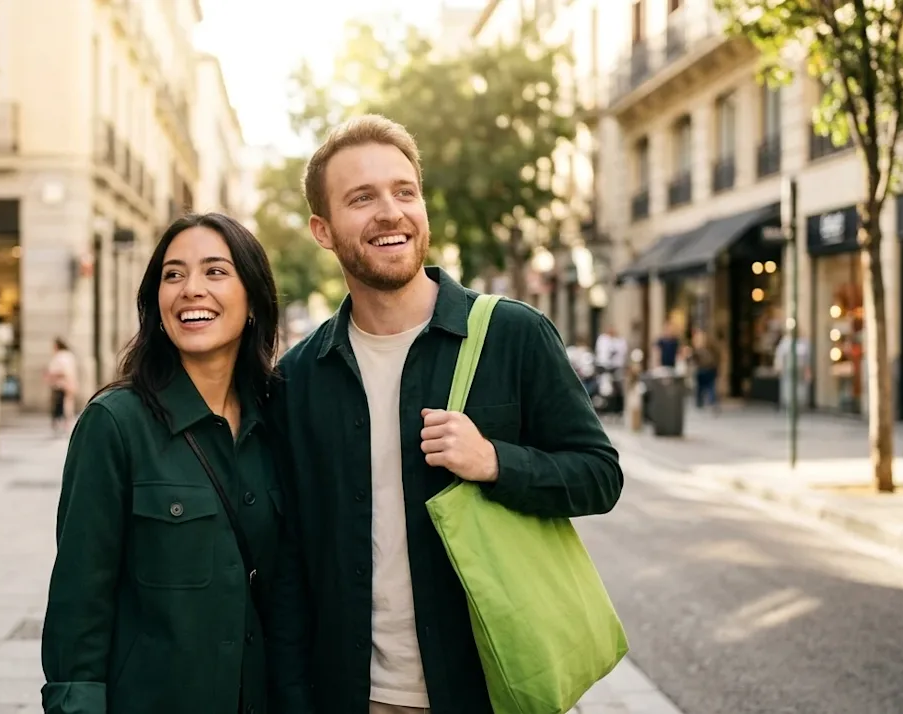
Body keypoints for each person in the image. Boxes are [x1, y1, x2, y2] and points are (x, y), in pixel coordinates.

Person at [266, 114, 624, 714]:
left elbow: (599, 475)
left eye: (405, 191)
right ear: (323, 231)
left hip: (491, 687)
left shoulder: (514, 334)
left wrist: (495, 462)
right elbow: (291, 560)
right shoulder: (299, 377)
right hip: (358, 694)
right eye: (362, 198)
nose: (391, 212)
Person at [40, 213, 282, 713]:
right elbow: (79, 604)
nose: (191, 289)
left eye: (215, 271)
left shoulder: (278, 422)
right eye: (173, 275)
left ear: (254, 299)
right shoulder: (114, 424)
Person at [45, 338, 79, 435]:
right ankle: (67, 423)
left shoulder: (60, 356)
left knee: (59, 404)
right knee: (68, 403)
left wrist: (51, 375)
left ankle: (61, 423)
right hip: (70, 383)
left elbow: (61, 371)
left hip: (61, 384)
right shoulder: (69, 355)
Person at [690, 328, 719, 409]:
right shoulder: (709, 347)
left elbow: (693, 359)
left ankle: (703, 402)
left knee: (705, 387)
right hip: (706, 369)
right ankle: (709, 402)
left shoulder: (702, 348)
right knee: (709, 386)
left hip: (705, 369)